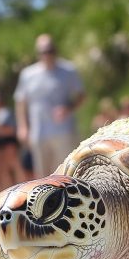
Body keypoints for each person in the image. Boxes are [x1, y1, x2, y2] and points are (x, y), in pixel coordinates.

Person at [15, 34, 85, 177]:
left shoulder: (68, 70)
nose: (47, 55)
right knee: (43, 176)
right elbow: (21, 101)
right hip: (39, 132)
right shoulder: (28, 74)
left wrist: (68, 108)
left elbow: (81, 95)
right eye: (43, 52)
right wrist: (23, 127)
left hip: (63, 131)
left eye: (50, 51)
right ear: (38, 54)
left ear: (56, 50)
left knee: (66, 174)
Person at [0, 93, 25, 193]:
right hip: (2, 145)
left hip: (7, 144)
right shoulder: (0, 113)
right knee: (4, 172)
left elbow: (10, 130)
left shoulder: (5, 112)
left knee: (13, 169)